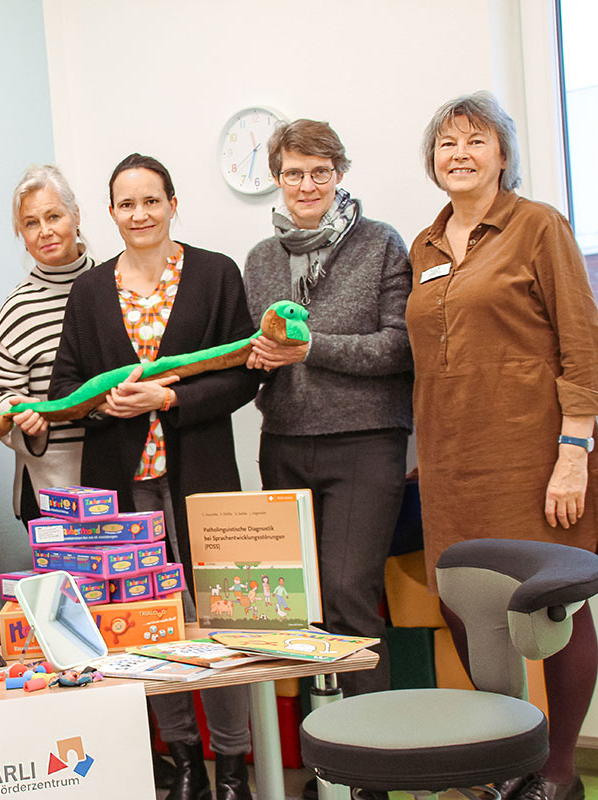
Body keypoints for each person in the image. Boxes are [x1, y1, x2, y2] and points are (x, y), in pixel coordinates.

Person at [408, 92, 598, 800]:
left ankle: (559, 771)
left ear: (503, 154)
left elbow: (588, 350)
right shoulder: (425, 245)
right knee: (466, 604)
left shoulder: (538, 227)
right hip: (450, 461)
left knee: (552, 605)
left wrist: (573, 453)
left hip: (533, 455)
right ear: (432, 160)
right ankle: (514, 756)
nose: (461, 154)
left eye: (477, 140)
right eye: (448, 144)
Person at [49, 154, 260, 800]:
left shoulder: (215, 275)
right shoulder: (88, 293)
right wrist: (99, 401)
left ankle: (232, 766)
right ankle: (185, 759)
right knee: (145, 622)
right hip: (120, 483)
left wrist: (168, 401)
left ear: (173, 204)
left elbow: (246, 371)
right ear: (110, 213)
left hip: (199, 477)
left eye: (151, 201)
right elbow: (67, 385)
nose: (139, 214)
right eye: (126, 204)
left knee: (218, 620)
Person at [243, 119, 413, 701]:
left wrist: (313, 347)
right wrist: (259, 359)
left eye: (320, 172)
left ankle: (372, 776)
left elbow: (402, 346)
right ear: (276, 178)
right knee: (300, 610)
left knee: (347, 595)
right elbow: (258, 350)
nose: (307, 184)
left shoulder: (381, 242)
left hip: (365, 441)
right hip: (285, 440)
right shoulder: (261, 258)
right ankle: (327, 769)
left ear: (339, 174)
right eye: (294, 173)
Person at [0, 165, 95, 526]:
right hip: (50, 488)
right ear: (21, 234)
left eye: (53, 216)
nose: (45, 231)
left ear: (75, 216)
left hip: (116, 475)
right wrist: (19, 411)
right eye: (31, 223)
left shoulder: (112, 286)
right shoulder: (19, 307)